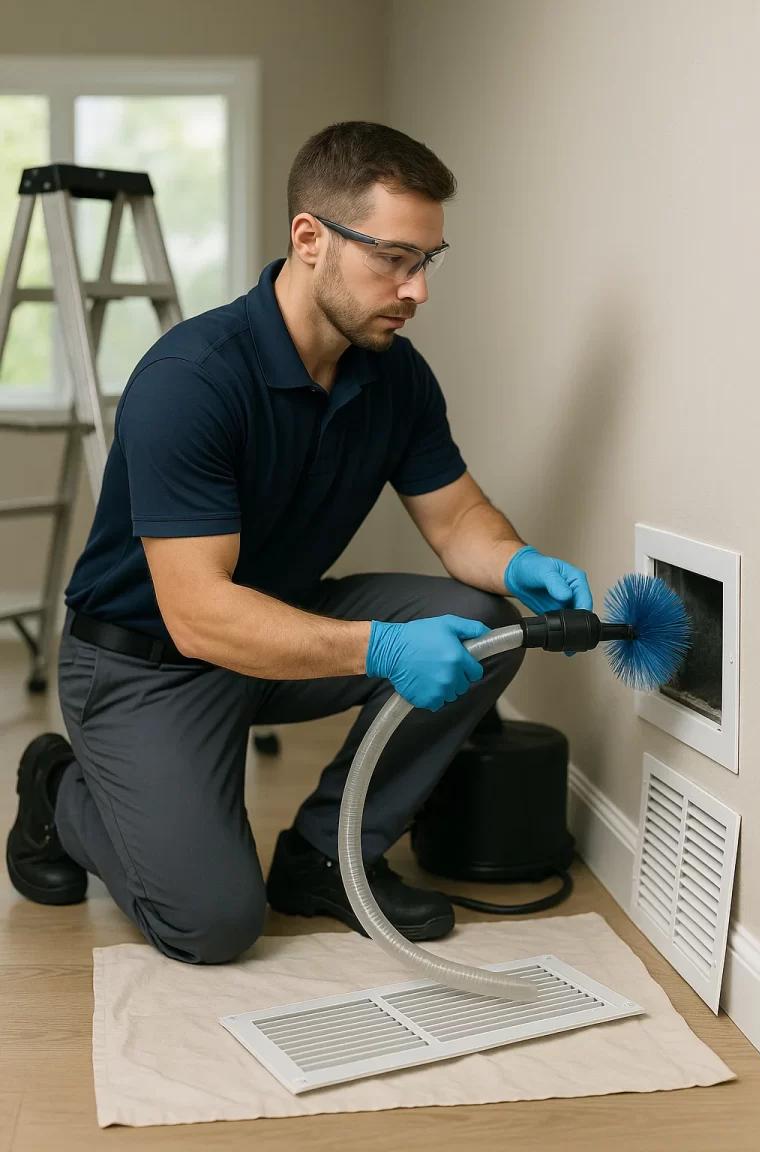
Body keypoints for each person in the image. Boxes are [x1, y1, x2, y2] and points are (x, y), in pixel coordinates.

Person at [6, 121, 592, 964]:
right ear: (310, 239)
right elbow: (202, 616)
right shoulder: (193, 381)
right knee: (212, 925)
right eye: (394, 258)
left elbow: (458, 520)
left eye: (428, 260)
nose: (416, 289)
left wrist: (518, 561)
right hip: (147, 663)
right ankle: (58, 789)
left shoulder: (393, 371)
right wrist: (384, 646)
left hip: (278, 625)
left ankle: (326, 854)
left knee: (485, 620)